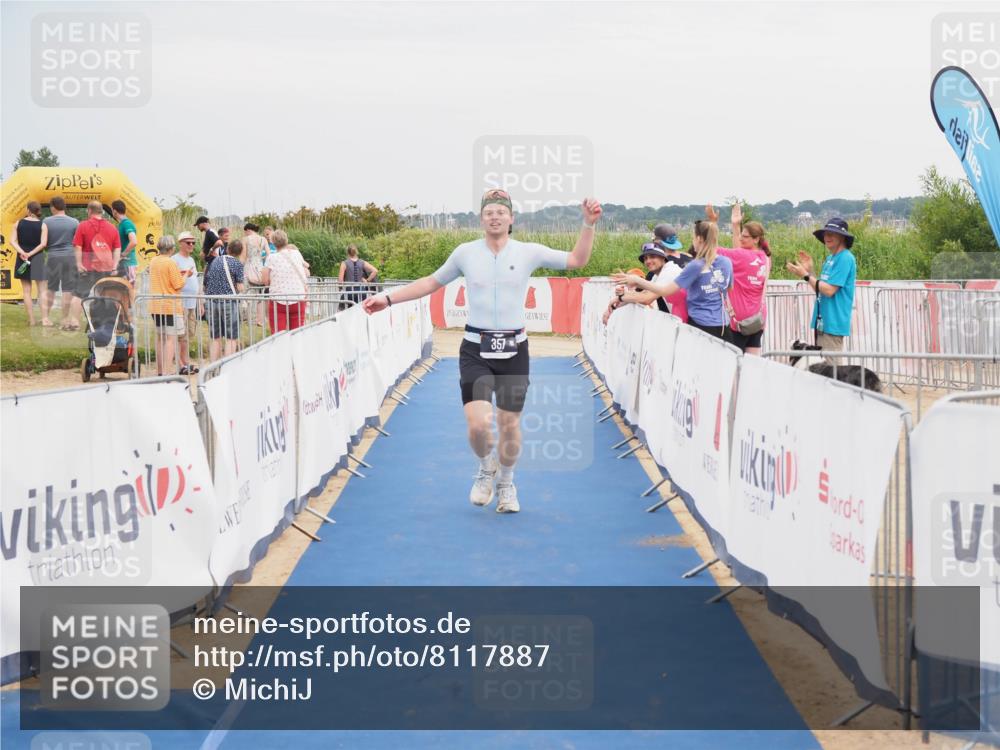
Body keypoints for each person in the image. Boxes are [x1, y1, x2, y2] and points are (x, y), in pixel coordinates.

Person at [362, 189, 602, 514]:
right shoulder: (465, 253)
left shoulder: (528, 252)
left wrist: (588, 224)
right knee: (477, 425)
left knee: (509, 425)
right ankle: (486, 466)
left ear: (511, 218)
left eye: (501, 212)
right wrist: (388, 299)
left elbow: (577, 260)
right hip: (476, 349)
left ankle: (506, 483)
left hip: (514, 351)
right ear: (481, 219)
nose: (495, 217)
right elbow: (430, 283)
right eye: (489, 212)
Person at [614, 220, 733, 339]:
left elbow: (665, 291)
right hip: (724, 325)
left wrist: (637, 280)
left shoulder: (695, 265)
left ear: (699, 239)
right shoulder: (726, 262)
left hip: (701, 326)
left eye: (693, 238)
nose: (693, 242)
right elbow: (728, 290)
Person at [786, 217, 857, 353]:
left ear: (842, 237)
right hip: (822, 322)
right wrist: (809, 272)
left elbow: (829, 290)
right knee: (823, 364)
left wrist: (805, 275)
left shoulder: (845, 258)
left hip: (833, 323)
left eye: (831, 234)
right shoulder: (830, 259)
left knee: (830, 365)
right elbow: (820, 289)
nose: (826, 237)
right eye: (825, 234)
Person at [713, 203, 771, 355]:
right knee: (752, 364)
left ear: (756, 239)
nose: (741, 238)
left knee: (734, 363)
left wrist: (713, 223)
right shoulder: (765, 258)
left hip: (738, 322)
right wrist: (735, 226)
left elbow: (711, 249)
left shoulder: (740, 256)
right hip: (757, 320)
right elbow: (738, 253)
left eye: (745, 237)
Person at [602, 242, 686, 325]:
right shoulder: (657, 275)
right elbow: (643, 293)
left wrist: (621, 297)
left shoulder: (669, 272)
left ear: (663, 257)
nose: (648, 261)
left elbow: (646, 298)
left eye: (652, 257)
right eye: (645, 258)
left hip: (689, 324)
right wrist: (614, 305)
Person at [69, 201, 121, 331]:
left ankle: (74, 322)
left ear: (89, 211)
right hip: (107, 269)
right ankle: (109, 323)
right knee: (106, 296)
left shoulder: (83, 225)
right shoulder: (112, 228)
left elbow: (78, 247)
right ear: (101, 211)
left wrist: (79, 263)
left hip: (87, 269)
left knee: (78, 295)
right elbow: (117, 248)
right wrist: (115, 266)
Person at [148, 235, 187, 376]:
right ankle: (166, 372)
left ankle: (160, 371)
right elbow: (178, 285)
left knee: (160, 338)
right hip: (169, 306)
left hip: (155, 305)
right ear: (171, 248)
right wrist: (186, 275)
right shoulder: (170, 263)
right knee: (171, 339)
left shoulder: (153, 261)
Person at [203, 237, 245, 360]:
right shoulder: (237, 264)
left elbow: (206, 280)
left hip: (211, 301)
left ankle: (213, 366)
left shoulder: (215, 261)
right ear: (240, 252)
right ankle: (228, 366)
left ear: (227, 249)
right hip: (229, 301)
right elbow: (240, 287)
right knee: (231, 337)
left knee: (215, 337)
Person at [261, 230, 310, 332]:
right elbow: (306, 266)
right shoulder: (296, 253)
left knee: (278, 335)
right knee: (297, 334)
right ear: (286, 240)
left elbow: (265, 280)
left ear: (273, 242)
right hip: (298, 297)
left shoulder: (271, 258)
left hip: (278, 298)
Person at [42, 196, 80, 329]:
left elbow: (44, 242)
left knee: (51, 288)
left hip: (53, 257)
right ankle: (64, 319)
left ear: (53, 207)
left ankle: (46, 318)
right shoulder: (75, 222)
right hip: (70, 257)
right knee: (67, 290)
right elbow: (77, 243)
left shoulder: (46, 221)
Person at [10, 201, 49, 327]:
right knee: (42, 290)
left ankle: (31, 320)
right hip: (37, 258)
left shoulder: (18, 223)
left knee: (26, 291)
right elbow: (43, 244)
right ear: (38, 211)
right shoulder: (43, 225)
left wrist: (23, 253)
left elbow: (12, 241)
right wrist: (30, 253)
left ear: (28, 210)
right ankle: (45, 320)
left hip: (22, 258)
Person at [172, 231, 201, 374]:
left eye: (193, 243)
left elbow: (195, 280)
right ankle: (180, 364)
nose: (191, 245)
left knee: (188, 334)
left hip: (192, 302)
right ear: (180, 244)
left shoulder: (191, 260)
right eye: (188, 242)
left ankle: (185, 361)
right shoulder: (174, 259)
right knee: (179, 334)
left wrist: (200, 302)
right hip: (180, 302)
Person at [242, 223, 270, 326]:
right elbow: (269, 254)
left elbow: (243, 256)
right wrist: (261, 259)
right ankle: (260, 320)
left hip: (248, 267)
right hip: (260, 268)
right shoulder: (263, 239)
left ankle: (250, 319)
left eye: (245, 231)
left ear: (248, 230)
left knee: (247, 292)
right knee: (260, 294)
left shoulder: (246, 239)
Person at [338, 244, 379, 309]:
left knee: (342, 311)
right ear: (356, 252)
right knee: (361, 312)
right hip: (361, 292)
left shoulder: (344, 263)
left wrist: (340, 288)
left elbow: (340, 281)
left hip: (349, 292)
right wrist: (367, 280)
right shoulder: (362, 262)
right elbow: (375, 271)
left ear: (347, 253)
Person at [111, 200, 138, 285]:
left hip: (128, 264)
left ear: (115, 211)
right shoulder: (122, 224)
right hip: (125, 264)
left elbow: (134, 241)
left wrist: (122, 255)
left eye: (112, 210)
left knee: (129, 289)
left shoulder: (127, 224)